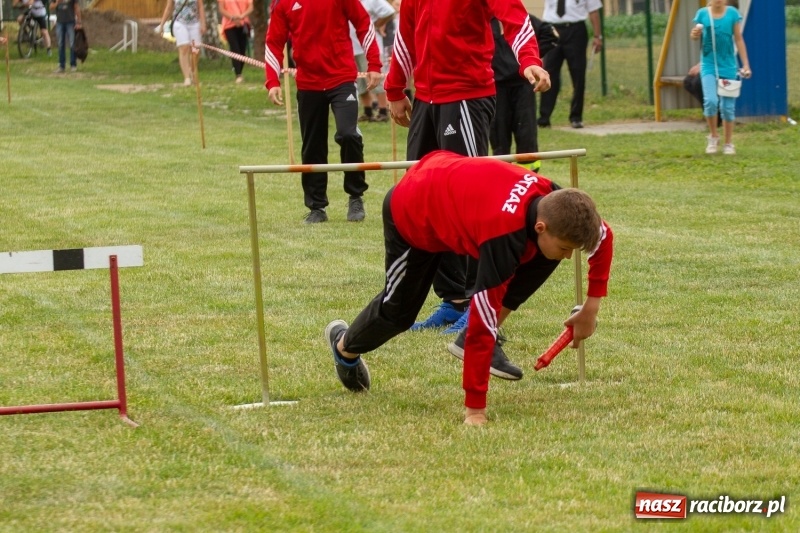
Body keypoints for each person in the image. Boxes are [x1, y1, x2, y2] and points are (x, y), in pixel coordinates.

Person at [324, 150, 613, 426]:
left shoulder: (555, 201)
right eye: (566, 248)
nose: (568, 256)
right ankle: (344, 347)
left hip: (457, 203)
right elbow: (482, 321)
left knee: (544, 256)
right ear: (540, 226)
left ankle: (468, 339)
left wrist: (591, 308)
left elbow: (604, 235)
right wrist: (475, 411)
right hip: (414, 208)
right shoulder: (503, 235)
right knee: (398, 312)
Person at [385, 0, 551, 376]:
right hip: (425, 99)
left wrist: (528, 60)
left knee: (469, 206)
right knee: (425, 199)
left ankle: (481, 309)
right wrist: (395, 87)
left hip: (466, 97)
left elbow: (514, 18)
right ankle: (454, 299)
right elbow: (406, 37)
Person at [265, 0, 382, 224]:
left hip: (342, 79)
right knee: (312, 146)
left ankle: (355, 195)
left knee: (348, 134)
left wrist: (374, 63)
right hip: (308, 84)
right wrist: (272, 81)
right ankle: (317, 207)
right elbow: (273, 42)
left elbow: (363, 23)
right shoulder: (283, 3)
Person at [489, 14, 559, 163]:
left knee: (526, 135)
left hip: (523, 85)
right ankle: (502, 178)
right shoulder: (483, 22)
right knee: (499, 140)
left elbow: (551, 35)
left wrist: (529, 59)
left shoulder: (520, 19)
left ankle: (529, 179)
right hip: (496, 88)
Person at [691, 0, 750, 155]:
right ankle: (713, 136)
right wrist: (694, 34)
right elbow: (695, 35)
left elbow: (738, 39)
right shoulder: (702, 14)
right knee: (710, 101)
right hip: (708, 65)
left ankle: (728, 143)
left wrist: (745, 65)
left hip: (729, 66)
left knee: (727, 108)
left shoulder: (732, 14)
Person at [538, 0, 602, 129]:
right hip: (552, 29)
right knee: (548, 73)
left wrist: (597, 36)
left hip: (575, 30)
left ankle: (576, 117)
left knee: (578, 74)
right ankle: (544, 118)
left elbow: (593, 11)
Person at [351, 0, 396, 123]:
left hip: (369, 47)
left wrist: (376, 24)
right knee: (359, 81)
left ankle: (383, 111)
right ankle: (368, 111)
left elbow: (389, 11)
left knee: (375, 80)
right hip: (351, 47)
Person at [157, 0, 207, 87]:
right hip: (179, 22)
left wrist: (203, 23)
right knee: (184, 48)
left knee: (196, 50)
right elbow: (169, 8)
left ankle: (192, 69)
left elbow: (200, 6)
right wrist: (162, 25)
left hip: (194, 22)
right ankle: (187, 77)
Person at [218, 0, 253, 84]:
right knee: (235, 49)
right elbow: (221, 9)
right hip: (229, 25)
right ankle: (238, 74)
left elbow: (250, 7)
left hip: (243, 23)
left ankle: (239, 69)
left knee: (242, 51)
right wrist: (232, 17)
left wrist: (241, 16)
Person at [49, 0, 80, 73]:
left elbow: (76, 7)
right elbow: (51, 7)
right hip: (60, 22)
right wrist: (57, 3)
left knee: (72, 43)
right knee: (60, 44)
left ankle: (73, 64)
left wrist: (79, 21)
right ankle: (61, 65)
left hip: (71, 21)